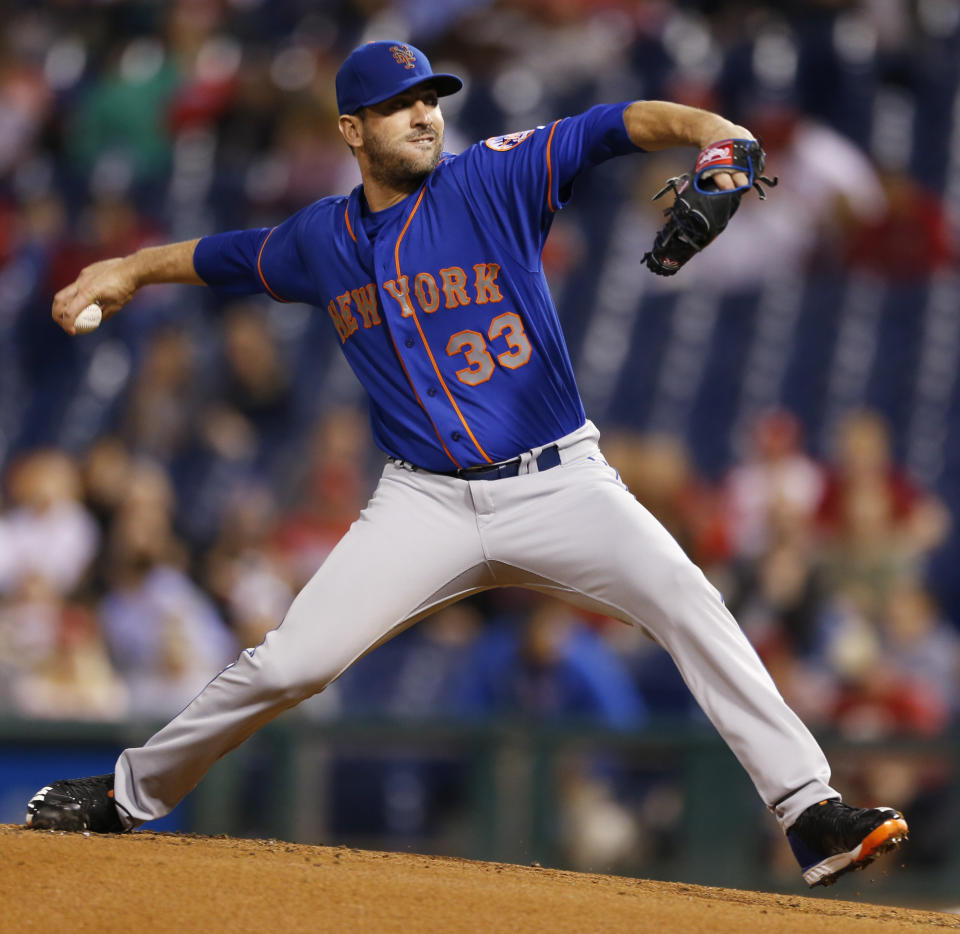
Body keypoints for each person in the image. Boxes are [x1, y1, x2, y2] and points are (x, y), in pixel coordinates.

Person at [27, 40, 908, 888]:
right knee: (292, 663)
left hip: (559, 479)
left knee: (687, 600)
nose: (421, 115)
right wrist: (129, 269)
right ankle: (123, 798)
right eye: (395, 105)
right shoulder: (318, 241)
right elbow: (218, 258)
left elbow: (624, 121)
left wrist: (725, 140)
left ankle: (808, 811)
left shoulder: (493, 175)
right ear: (351, 130)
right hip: (425, 503)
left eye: (428, 100)